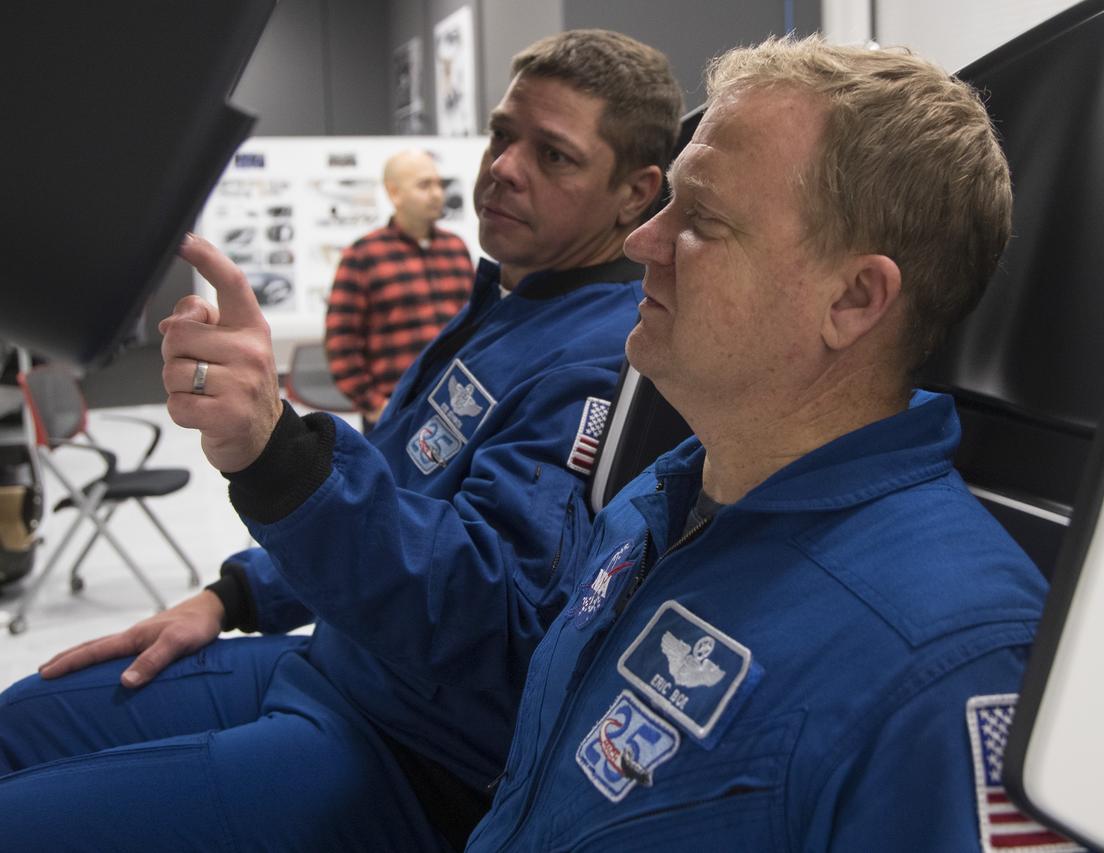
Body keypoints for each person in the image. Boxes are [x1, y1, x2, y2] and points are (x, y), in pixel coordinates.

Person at [0, 29, 681, 851]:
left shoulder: (597, 356)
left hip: (405, 752)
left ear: (636, 193)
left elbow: (490, 612)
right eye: (503, 134)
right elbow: (394, 487)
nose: (503, 166)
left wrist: (278, 452)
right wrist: (233, 597)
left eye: (555, 156)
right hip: (333, 660)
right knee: (19, 723)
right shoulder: (508, 306)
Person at [464, 37, 1079, 851]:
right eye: (666, 204)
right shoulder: (660, 501)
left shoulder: (944, 664)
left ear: (854, 299)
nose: (642, 242)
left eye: (702, 221)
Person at [324, 149, 474, 429]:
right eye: (424, 185)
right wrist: (374, 405)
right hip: (395, 412)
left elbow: (477, 324)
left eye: (439, 184)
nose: (437, 194)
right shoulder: (364, 255)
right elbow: (341, 341)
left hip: (456, 408)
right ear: (394, 194)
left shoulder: (456, 248)